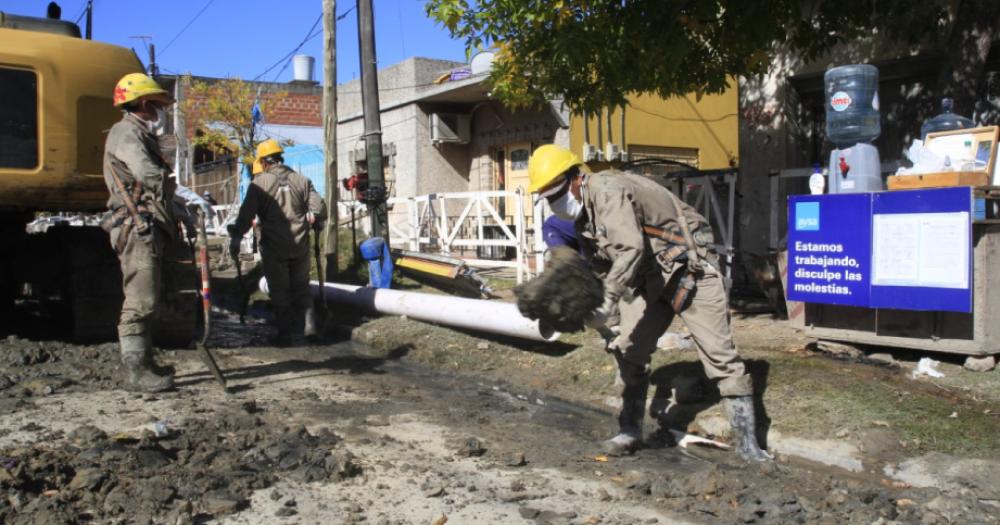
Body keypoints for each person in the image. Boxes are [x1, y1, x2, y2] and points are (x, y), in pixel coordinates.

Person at [527, 144, 770, 462]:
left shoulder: (606, 190)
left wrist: (609, 300)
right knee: (629, 350)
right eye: (545, 197)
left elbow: (629, 250)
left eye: (553, 193)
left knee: (720, 357)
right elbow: (603, 266)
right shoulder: (583, 218)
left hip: (689, 271)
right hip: (648, 280)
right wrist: (595, 308)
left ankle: (750, 447)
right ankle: (628, 431)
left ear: (573, 178)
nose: (553, 203)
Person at [102, 73, 177, 392]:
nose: (161, 110)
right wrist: (171, 187)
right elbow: (146, 173)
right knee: (140, 299)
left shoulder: (134, 132)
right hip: (136, 224)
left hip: (144, 222)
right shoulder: (127, 133)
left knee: (148, 297)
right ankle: (135, 372)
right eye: (158, 104)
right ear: (145, 103)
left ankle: (144, 362)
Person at [228, 140, 326, 346]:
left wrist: (236, 235)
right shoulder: (302, 180)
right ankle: (310, 328)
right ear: (280, 158)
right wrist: (315, 218)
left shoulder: (259, 184)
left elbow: (246, 215)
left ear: (264, 162)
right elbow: (319, 206)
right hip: (300, 245)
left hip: (274, 247)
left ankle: (285, 334)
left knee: (279, 290)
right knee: (302, 287)